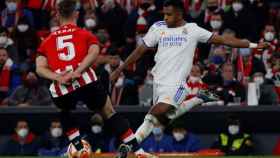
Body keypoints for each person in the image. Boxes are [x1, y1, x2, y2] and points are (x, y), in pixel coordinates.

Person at [110, 0, 270, 152]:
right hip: (158, 81)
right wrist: (120, 69)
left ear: (179, 14)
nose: (165, 17)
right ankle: (198, 99)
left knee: (155, 113)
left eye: (169, 14)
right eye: (164, 14)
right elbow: (140, 50)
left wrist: (254, 45)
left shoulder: (193, 30)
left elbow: (224, 40)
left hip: (178, 84)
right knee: (161, 119)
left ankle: (131, 144)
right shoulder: (158, 27)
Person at [35, 1, 155, 158]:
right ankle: (138, 152)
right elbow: (94, 52)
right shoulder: (85, 34)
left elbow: (39, 68)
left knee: (64, 111)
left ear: (57, 16)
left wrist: (58, 77)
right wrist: (77, 71)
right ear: (77, 14)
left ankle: (79, 147)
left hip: (61, 87)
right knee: (109, 112)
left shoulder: (47, 41)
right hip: (85, 81)